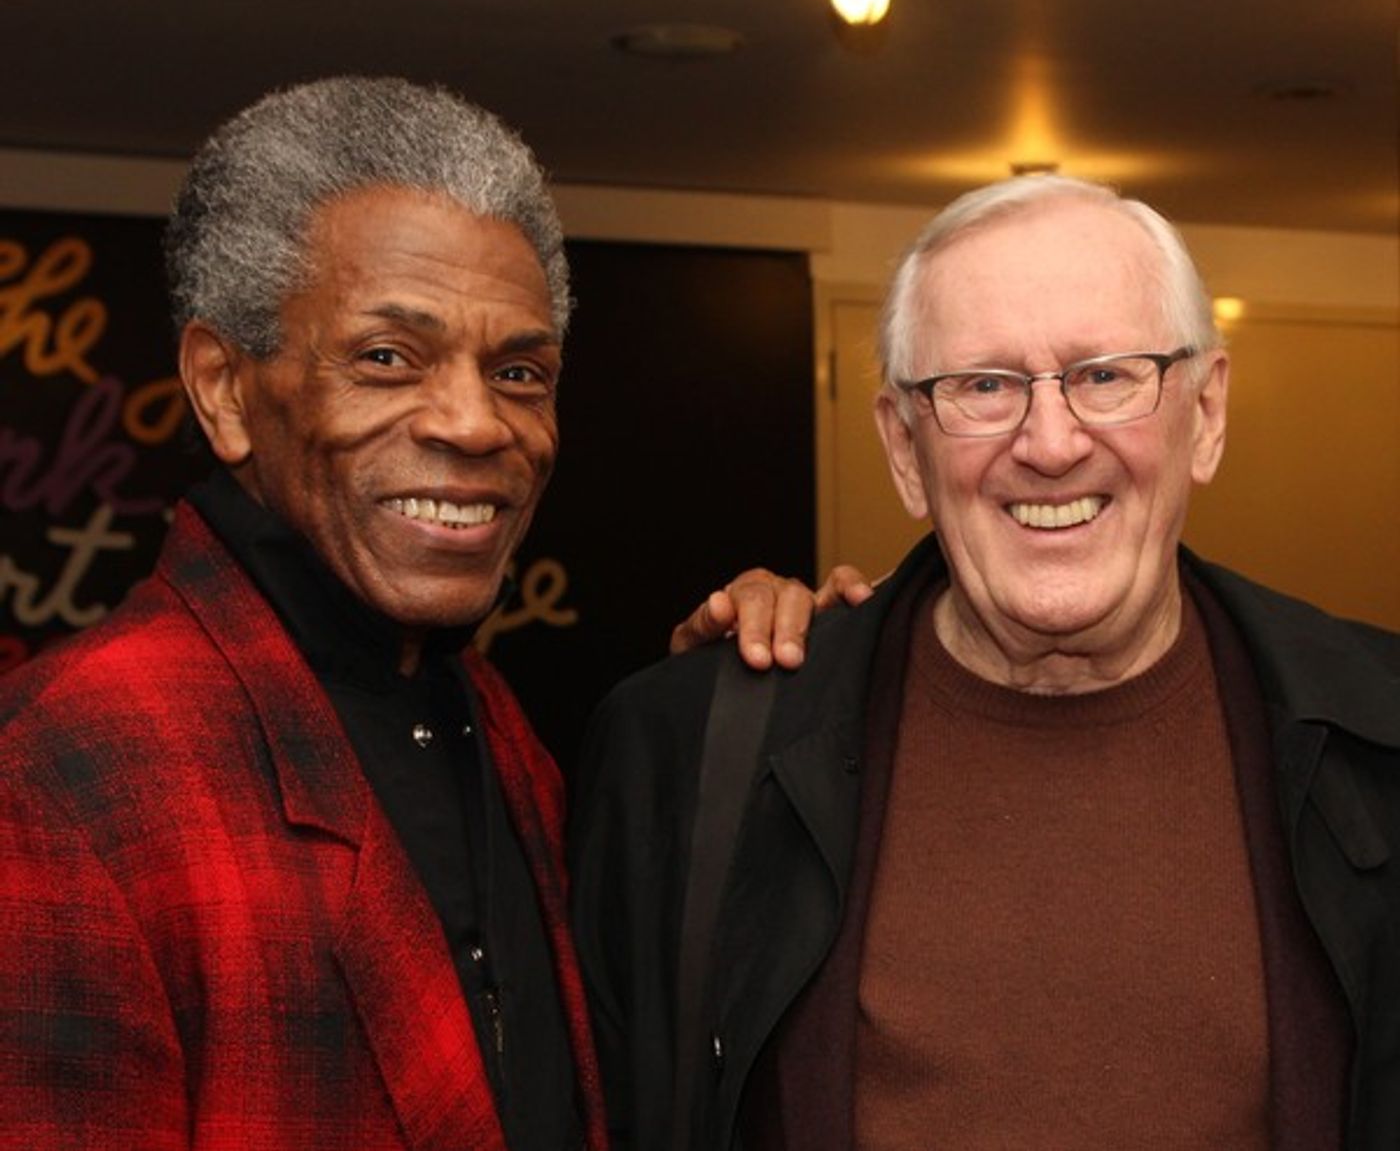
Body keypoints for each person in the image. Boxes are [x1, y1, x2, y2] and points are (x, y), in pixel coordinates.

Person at [0, 76, 827, 1151]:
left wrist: (730, 717)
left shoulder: (487, 722)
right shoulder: (64, 766)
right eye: (387, 357)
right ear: (222, 388)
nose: (477, 424)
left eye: (519, 370)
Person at [571, 174, 1400, 1151]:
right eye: (982, 385)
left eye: (1104, 373)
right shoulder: (691, 754)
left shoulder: (1378, 738)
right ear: (901, 446)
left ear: (1204, 413)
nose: (1048, 443)